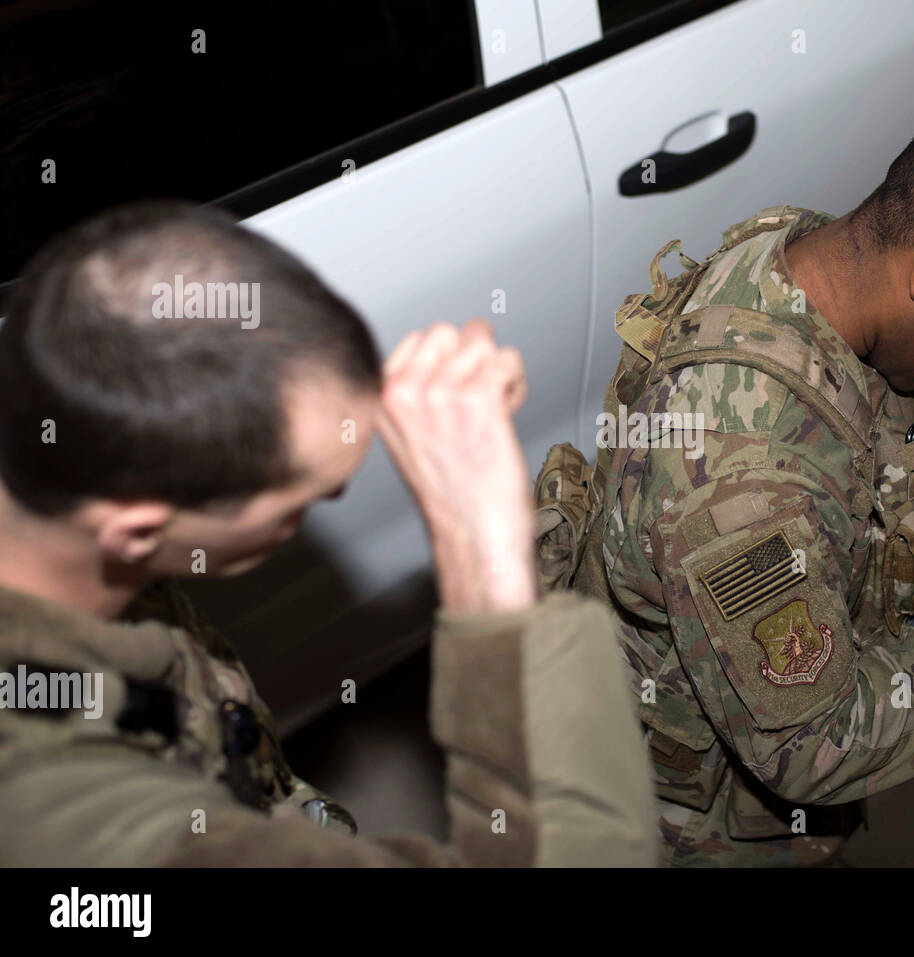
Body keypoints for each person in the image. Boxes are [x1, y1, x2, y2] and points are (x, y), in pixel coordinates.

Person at [556, 102, 914, 865]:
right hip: (678, 821)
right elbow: (811, 741)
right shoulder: (743, 480)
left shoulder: (813, 257)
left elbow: (899, 412)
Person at [0, 202, 656, 866]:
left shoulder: (62, 467)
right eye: (303, 500)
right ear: (136, 531)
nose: (336, 498)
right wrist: (486, 556)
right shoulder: (69, 825)